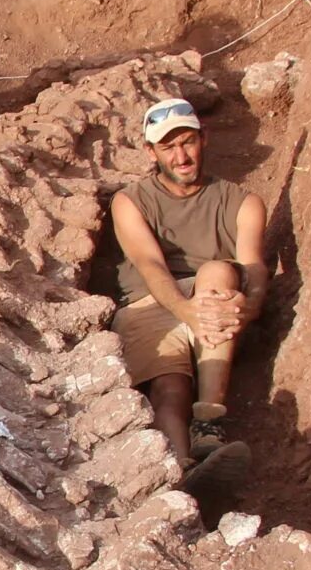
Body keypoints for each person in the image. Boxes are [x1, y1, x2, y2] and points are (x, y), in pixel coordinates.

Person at [110, 97, 268, 494]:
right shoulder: (130, 201)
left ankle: (209, 421)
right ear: (151, 152)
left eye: (187, 143)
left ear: (203, 140)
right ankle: (183, 474)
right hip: (151, 303)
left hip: (216, 299)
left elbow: (253, 267)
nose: (181, 156)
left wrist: (248, 309)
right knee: (169, 388)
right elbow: (151, 266)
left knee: (216, 270)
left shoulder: (242, 201)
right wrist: (187, 312)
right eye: (168, 147)